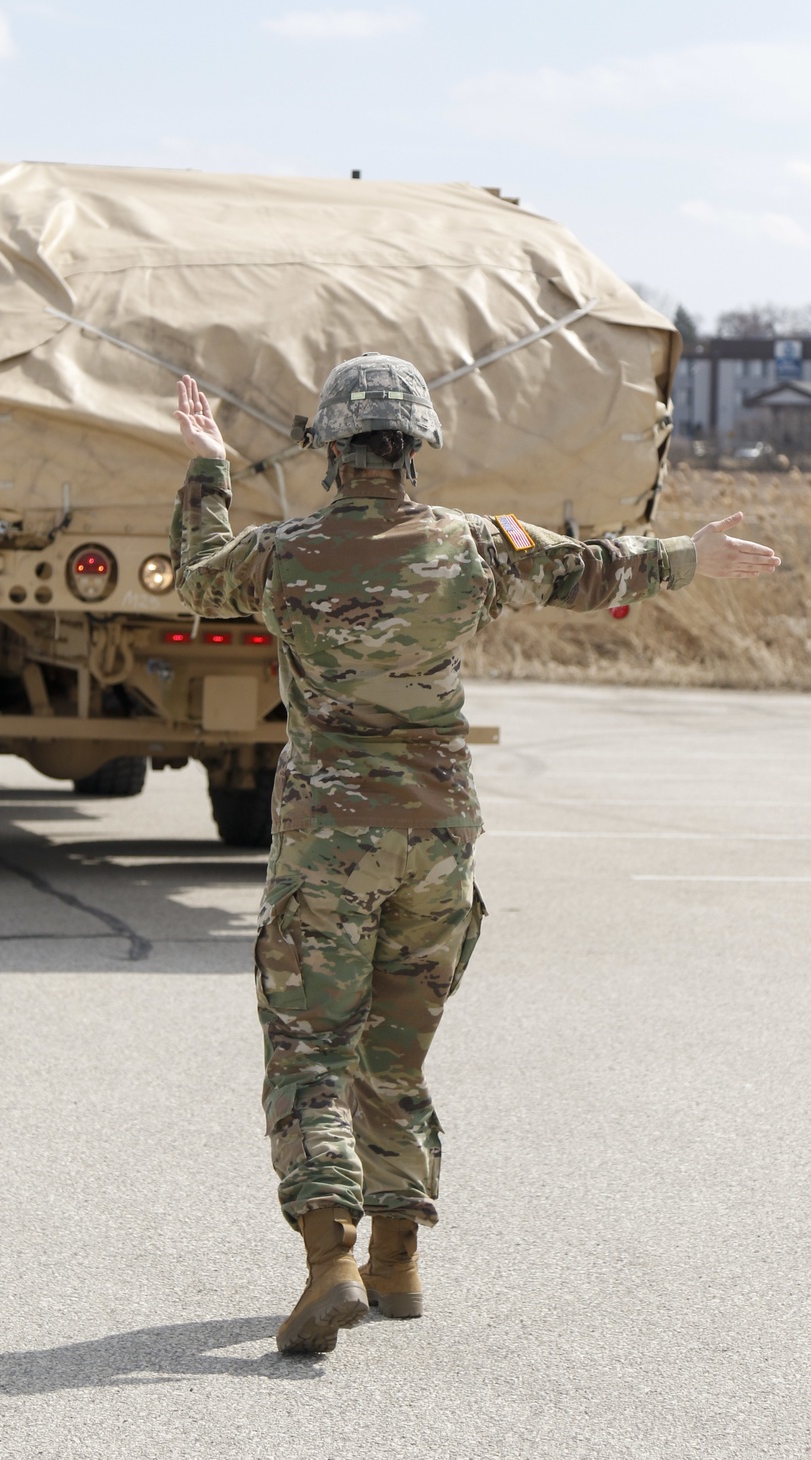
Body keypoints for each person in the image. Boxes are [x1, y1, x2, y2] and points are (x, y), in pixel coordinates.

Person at [169, 354, 779, 1357]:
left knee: (310, 1050)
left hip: (330, 841)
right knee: (394, 1053)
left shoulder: (283, 557)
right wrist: (690, 556)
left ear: (331, 451)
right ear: (413, 448)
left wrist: (206, 468)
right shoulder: (471, 548)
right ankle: (400, 1258)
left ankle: (332, 1261)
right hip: (437, 838)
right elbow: (589, 570)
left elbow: (197, 577)